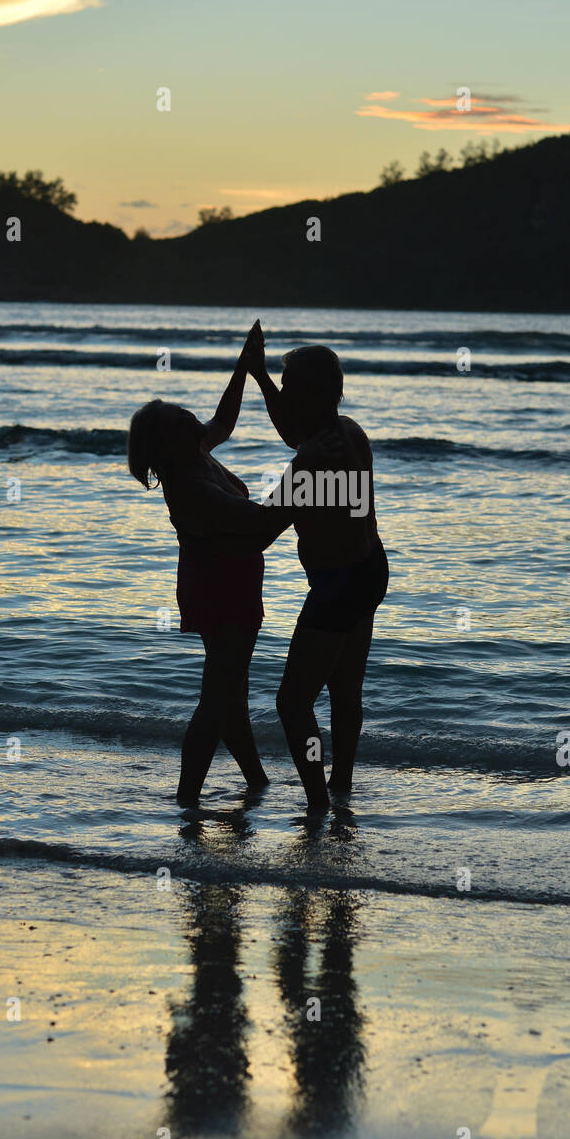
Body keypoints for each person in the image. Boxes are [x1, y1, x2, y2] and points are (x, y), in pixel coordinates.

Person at [127, 325, 290, 806]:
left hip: (225, 583)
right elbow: (259, 526)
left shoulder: (196, 455)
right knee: (218, 699)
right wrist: (306, 487)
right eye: (183, 420)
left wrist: (244, 368)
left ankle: (256, 783)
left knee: (230, 699)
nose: (195, 420)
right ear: (167, 444)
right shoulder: (192, 486)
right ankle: (186, 801)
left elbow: (225, 419)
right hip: (222, 592)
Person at [246, 324, 389, 810]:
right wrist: (260, 378)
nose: (283, 397)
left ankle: (318, 801)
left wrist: (299, 463)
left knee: (292, 703)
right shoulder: (346, 428)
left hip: (339, 585)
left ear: (313, 394)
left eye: (289, 388)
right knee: (345, 688)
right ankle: (341, 786)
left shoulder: (315, 459)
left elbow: (261, 532)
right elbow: (291, 430)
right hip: (369, 569)